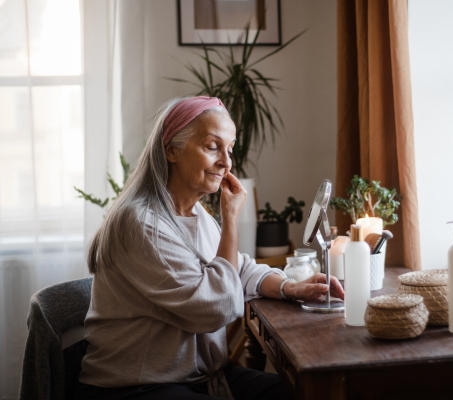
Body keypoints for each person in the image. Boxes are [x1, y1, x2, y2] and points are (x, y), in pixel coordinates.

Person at [76, 96, 344, 400]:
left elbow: (238, 268)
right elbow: (217, 306)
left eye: (229, 149)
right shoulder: (141, 224)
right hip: (139, 386)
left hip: (202, 376)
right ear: (171, 151)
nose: (227, 162)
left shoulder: (196, 214)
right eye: (212, 146)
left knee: (303, 393)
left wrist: (288, 287)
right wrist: (230, 218)